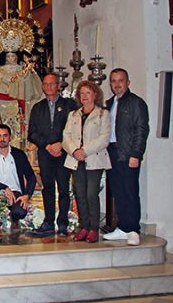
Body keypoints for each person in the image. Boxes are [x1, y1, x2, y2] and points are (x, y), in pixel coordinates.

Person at [103, 68, 149, 246]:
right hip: (112, 152)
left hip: (128, 153)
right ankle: (122, 227)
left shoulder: (136, 103)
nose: (117, 84)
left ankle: (133, 229)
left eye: (120, 80)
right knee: (118, 192)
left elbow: (141, 130)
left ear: (128, 82)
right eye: (113, 81)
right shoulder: (109, 103)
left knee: (130, 191)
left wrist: (136, 154)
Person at [27, 73, 77, 237]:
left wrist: (61, 144)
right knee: (47, 188)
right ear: (43, 87)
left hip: (63, 153)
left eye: (52, 84)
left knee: (63, 189)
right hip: (45, 153)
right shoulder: (38, 107)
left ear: (58, 86)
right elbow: (32, 134)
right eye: (46, 84)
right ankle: (48, 222)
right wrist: (47, 145)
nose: (49, 87)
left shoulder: (69, 105)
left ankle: (63, 222)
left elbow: (74, 130)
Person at [63, 81, 111, 243]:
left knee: (91, 194)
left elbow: (104, 138)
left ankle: (93, 228)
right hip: (76, 159)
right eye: (81, 93)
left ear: (95, 95)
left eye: (87, 93)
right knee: (79, 193)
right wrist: (75, 150)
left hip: (94, 159)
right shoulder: (73, 115)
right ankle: (83, 226)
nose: (84, 96)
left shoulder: (103, 114)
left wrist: (85, 150)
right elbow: (66, 136)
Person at [0, 51, 43, 149]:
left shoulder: (23, 70)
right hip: (2, 106)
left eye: (13, 56)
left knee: (19, 133)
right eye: (8, 56)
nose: (10, 58)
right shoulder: (0, 71)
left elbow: (30, 90)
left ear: (17, 57)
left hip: (18, 106)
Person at [0, 124, 37, 224]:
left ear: (10, 137)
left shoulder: (19, 154)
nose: (2, 139)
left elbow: (31, 176)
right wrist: (4, 188)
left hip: (16, 193)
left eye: (5, 135)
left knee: (19, 212)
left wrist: (27, 195)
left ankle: (11, 218)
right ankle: (3, 217)